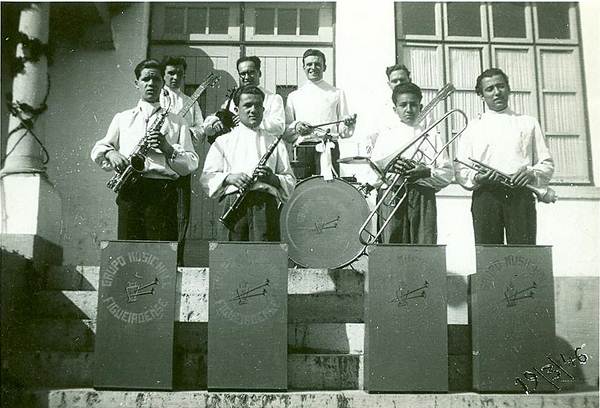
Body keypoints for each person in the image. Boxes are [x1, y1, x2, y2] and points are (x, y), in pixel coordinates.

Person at [91, 59, 199, 242]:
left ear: (162, 83)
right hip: (130, 189)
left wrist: (166, 148)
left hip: (162, 193)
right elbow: (99, 148)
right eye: (146, 79)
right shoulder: (122, 118)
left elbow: (191, 163)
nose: (151, 84)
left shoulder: (177, 121)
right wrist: (111, 153)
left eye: (156, 79)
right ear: (137, 83)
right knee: (128, 249)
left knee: (160, 252)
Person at [455, 68, 554, 245]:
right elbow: (461, 168)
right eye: (489, 89)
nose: (496, 92)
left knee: (523, 256)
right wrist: (478, 177)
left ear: (508, 89)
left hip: (521, 196)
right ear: (481, 95)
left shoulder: (528, 122)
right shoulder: (472, 127)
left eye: (500, 86)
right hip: (486, 196)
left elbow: (546, 163)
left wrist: (531, 173)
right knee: (489, 257)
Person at [200, 85, 295, 241]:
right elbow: (207, 178)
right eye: (247, 105)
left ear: (263, 110)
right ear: (236, 110)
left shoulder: (275, 141)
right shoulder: (223, 141)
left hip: (265, 205)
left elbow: (290, 180)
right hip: (234, 205)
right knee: (231, 257)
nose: (253, 110)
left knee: (265, 257)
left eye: (258, 105)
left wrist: (273, 179)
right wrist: (229, 178)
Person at [370, 82, 453, 244]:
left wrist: (426, 171)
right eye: (403, 105)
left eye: (413, 104)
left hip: (423, 195)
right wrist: (390, 167)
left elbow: (447, 175)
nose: (409, 109)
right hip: (392, 194)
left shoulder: (432, 135)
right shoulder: (385, 136)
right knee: (391, 243)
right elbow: (373, 173)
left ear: (420, 107)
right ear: (395, 109)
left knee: (424, 244)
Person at [160, 56, 214, 265]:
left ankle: (178, 260)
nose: (175, 77)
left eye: (179, 74)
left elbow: (200, 128)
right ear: (164, 75)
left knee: (181, 213)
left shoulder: (189, 102)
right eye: (171, 73)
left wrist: (190, 133)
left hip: (180, 163)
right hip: (159, 163)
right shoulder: (158, 98)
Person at [284, 49, 356, 179]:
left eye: (317, 64)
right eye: (309, 64)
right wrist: (297, 126)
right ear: (304, 67)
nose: (313, 68)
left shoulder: (337, 93)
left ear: (324, 67)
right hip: (304, 149)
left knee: (328, 190)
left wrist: (349, 124)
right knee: (303, 190)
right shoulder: (294, 96)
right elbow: (287, 131)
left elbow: (343, 132)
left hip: (329, 149)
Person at [204, 56, 285, 138]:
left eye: (251, 73)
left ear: (259, 73)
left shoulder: (273, 99)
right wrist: (215, 122)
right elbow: (208, 125)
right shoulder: (233, 99)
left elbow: (279, 127)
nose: (246, 77)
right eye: (243, 74)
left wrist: (249, 121)